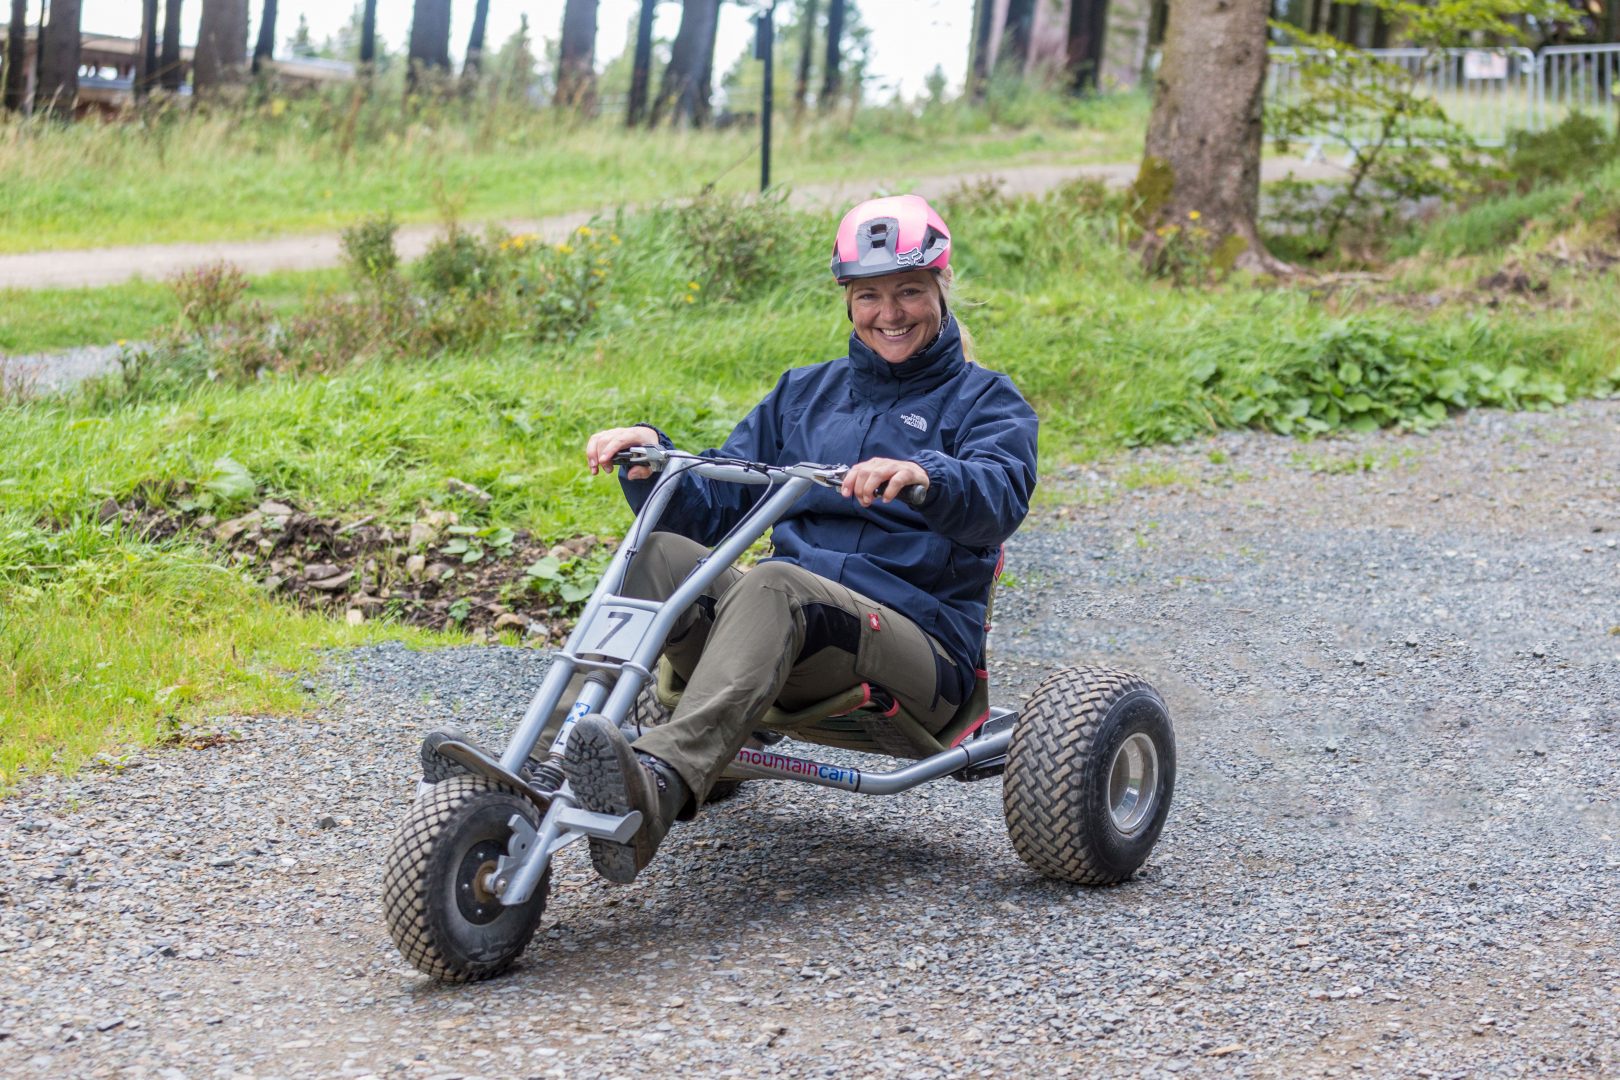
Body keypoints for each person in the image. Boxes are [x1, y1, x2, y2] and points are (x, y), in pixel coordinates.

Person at [566, 194, 1039, 884]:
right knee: (660, 554)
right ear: (848, 301)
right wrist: (652, 460)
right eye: (870, 295)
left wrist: (925, 475)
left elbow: (997, 497)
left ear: (941, 286)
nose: (891, 313)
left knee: (774, 583)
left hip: (918, 655)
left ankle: (660, 783)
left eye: (910, 290)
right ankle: (552, 761)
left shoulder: (987, 402)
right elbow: (712, 513)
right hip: (795, 637)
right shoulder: (802, 396)